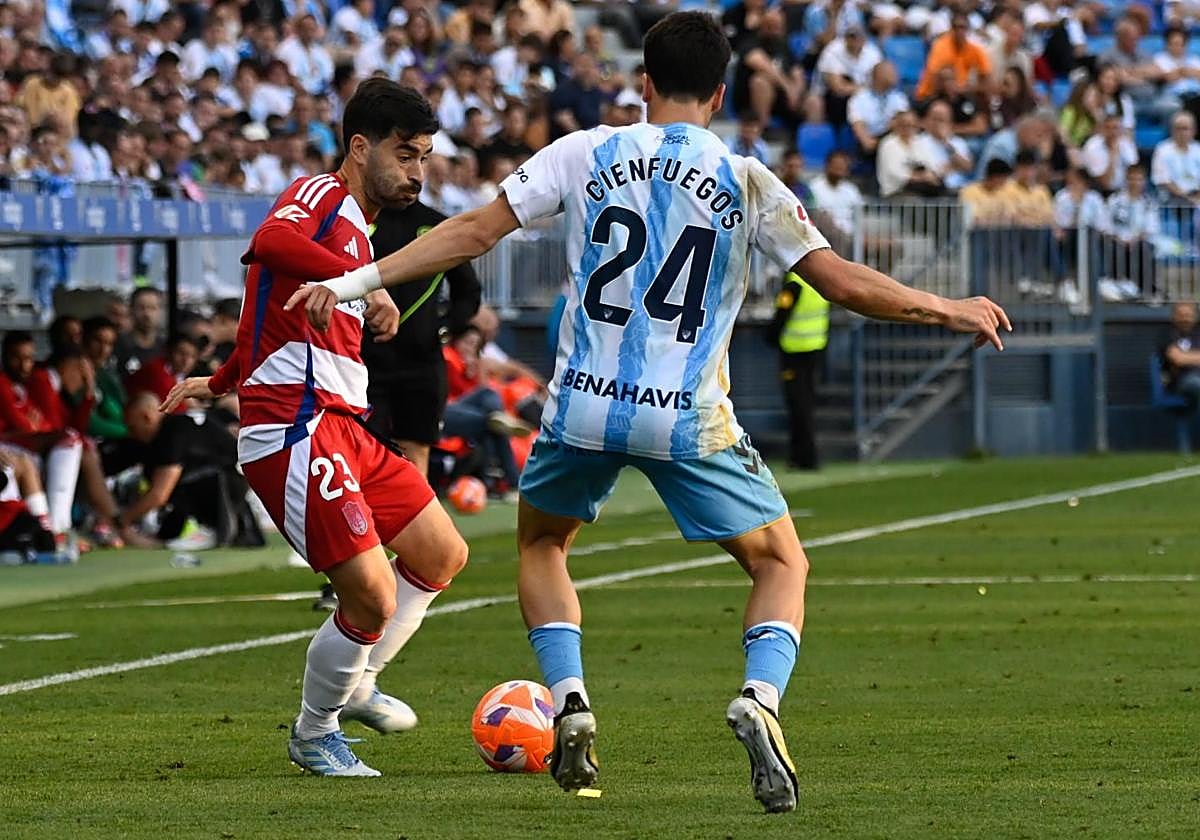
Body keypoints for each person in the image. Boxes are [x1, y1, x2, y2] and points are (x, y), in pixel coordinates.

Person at [288, 12, 1011, 813]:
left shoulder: (583, 152)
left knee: (543, 545)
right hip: (686, 413)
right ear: (721, 94)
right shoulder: (747, 178)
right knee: (781, 564)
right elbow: (840, 282)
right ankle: (760, 699)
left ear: (643, 84)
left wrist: (355, 282)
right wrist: (947, 307)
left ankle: (570, 698)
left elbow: (470, 233)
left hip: (582, 408)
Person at [160, 79, 470, 778]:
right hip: (295, 428)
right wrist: (366, 282)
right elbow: (270, 241)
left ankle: (358, 680)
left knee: (441, 554)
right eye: (405, 155)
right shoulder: (321, 194)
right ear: (359, 147)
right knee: (372, 594)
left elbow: (267, 311)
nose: (417, 172)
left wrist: (222, 379)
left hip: (344, 424)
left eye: (424, 157)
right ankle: (314, 733)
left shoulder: (358, 229)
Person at [361, 173, 483, 479]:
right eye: (403, 161)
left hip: (421, 362)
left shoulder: (438, 227)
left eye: (420, 161)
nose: (412, 174)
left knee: (416, 452)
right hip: (365, 360)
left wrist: (444, 329)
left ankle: (414, 510)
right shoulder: (360, 222)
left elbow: (468, 292)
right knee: (364, 449)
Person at [768, 272, 829, 471]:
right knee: (806, 404)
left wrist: (770, 337)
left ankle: (805, 456)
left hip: (794, 351)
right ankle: (802, 456)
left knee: (797, 405)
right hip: (816, 347)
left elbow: (782, 313)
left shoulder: (795, 281)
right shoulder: (820, 279)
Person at [114, 286, 165, 379]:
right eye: (141, 308)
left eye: (153, 308)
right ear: (131, 310)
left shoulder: (166, 348)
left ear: (160, 311)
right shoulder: (118, 344)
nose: (147, 314)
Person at [1161, 301, 1200, 409]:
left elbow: (1184, 357)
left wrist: (1188, 357)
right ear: (1174, 317)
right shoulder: (1167, 334)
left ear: (1195, 317)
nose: (1185, 319)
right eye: (1180, 315)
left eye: (1188, 315)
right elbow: (1178, 359)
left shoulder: (1198, 334)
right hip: (1181, 381)